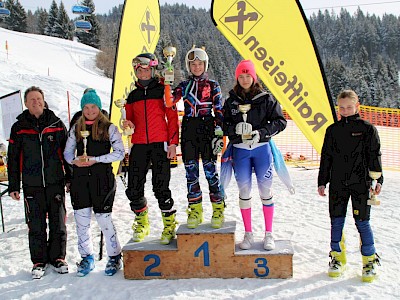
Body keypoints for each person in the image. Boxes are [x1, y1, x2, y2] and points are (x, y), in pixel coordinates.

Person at [318, 89, 383, 282]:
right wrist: (322, 181)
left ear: (357, 106)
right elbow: (326, 157)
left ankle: (369, 260)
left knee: (362, 222)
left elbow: (375, 156)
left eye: (349, 107)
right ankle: (338, 257)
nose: (345, 111)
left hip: (361, 184)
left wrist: (378, 180)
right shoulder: (332, 130)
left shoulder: (368, 129)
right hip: (338, 183)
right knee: (336, 221)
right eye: (342, 108)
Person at [223, 60, 287, 250]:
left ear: (254, 77)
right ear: (237, 78)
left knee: (265, 192)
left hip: (261, 150)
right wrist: (234, 129)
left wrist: (262, 132)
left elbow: (280, 122)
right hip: (240, 151)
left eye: (247, 76)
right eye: (241, 76)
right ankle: (248, 234)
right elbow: (223, 125)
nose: (244, 80)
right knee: (244, 192)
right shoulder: (231, 101)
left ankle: (269, 233)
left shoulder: (266, 99)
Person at [7, 86, 69, 279]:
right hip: (32, 184)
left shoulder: (56, 123)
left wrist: (70, 178)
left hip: (55, 182)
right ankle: (39, 261)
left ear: (44, 100)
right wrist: (13, 186)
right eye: (32, 99)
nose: (36, 102)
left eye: (39, 98)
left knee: (58, 223)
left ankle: (58, 258)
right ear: (26, 103)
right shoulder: (19, 127)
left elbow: (66, 153)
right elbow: (13, 158)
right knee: (36, 225)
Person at [64, 89, 125, 276]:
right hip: (80, 181)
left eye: (93, 107)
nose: (90, 111)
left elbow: (120, 152)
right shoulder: (76, 128)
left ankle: (114, 256)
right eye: (86, 107)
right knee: (82, 221)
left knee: (103, 219)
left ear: (99, 107)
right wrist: (74, 161)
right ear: (82, 109)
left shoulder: (110, 128)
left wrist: (96, 159)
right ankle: (86, 257)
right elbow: (67, 153)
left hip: (102, 180)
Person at [123, 53, 179, 245]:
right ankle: (142, 222)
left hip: (160, 142)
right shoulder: (132, 95)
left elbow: (172, 117)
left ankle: (169, 224)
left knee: (160, 185)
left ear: (153, 70)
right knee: (134, 186)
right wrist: (127, 124)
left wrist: (172, 143)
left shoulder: (162, 89)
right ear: (136, 71)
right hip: (138, 143)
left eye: (147, 69)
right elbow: (129, 120)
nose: (144, 73)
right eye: (140, 70)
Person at [167, 46, 225, 229]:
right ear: (188, 66)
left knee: (210, 171)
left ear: (205, 65)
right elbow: (169, 101)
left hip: (208, 127)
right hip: (190, 127)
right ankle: (195, 209)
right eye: (193, 64)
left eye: (200, 64)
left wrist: (219, 133)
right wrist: (167, 82)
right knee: (191, 172)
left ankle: (218, 207)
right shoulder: (184, 86)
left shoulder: (213, 85)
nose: (197, 67)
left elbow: (220, 111)